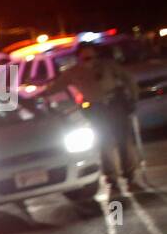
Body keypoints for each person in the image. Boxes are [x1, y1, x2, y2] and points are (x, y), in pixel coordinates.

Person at [45, 42, 141, 188]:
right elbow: (55, 87)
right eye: (86, 57)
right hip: (96, 109)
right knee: (104, 142)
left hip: (115, 104)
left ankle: (130, 175)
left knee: (123, 140)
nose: (91, 60)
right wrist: (40, 96)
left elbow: (128, 78)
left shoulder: (108, 66)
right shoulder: (73, 72)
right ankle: (111, 177)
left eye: (93, 56)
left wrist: (133, 97)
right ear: (79, 57)